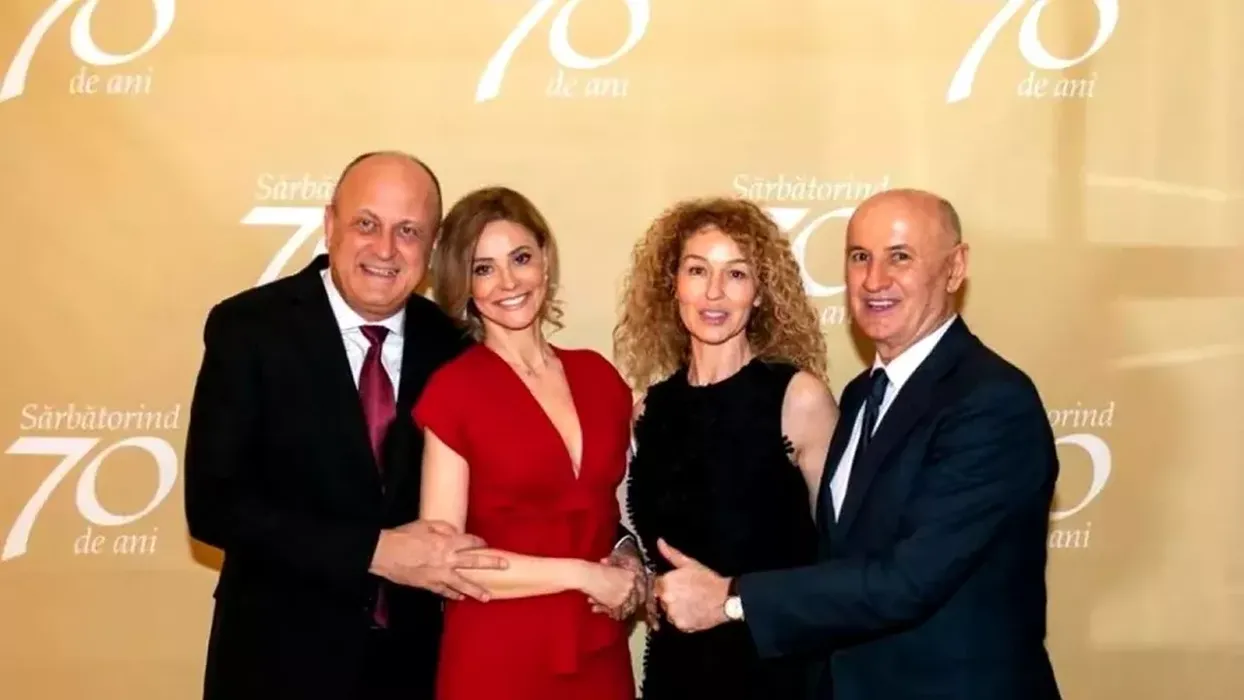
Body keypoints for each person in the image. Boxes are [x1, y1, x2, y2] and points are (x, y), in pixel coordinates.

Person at [653, 188, 1063, 700]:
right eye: (860, 257)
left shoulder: (992, 401)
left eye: (900, 257)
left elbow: (909, 580)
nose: (874, 280)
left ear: (955, 268)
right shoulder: (861, 395)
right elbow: (840, 559)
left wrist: (731, 598)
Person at [183, 151, 510, 700]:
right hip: (274, 664)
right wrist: (373, 551)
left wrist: (611, 548)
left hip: (412, 669)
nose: (385, 249)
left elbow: (511, 488)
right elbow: (215, 505)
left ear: (432, 248)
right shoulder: (249, 328)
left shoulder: (455, 347)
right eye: (366, 223)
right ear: (330, 224)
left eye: (408, 231)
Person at [412, 186, 640, 700]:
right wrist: (582, 576)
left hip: (598, 648)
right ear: (464, 283)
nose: (509, 282)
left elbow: (620, 510)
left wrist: (630, 563)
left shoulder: (600, 377)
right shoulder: (455, 391)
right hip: (498, 652)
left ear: (545, 259)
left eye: (520, 258)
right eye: (484, 268)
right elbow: (447, 559)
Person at [612, 196, 839, 699]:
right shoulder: (649, 410)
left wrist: (734, 600)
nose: (714, 292)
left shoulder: (797, 399)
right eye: (697, 270)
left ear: (759, 294)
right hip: (676, 673)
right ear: (673, 284)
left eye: (736, 274)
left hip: (776, 674)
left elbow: (842, 562)